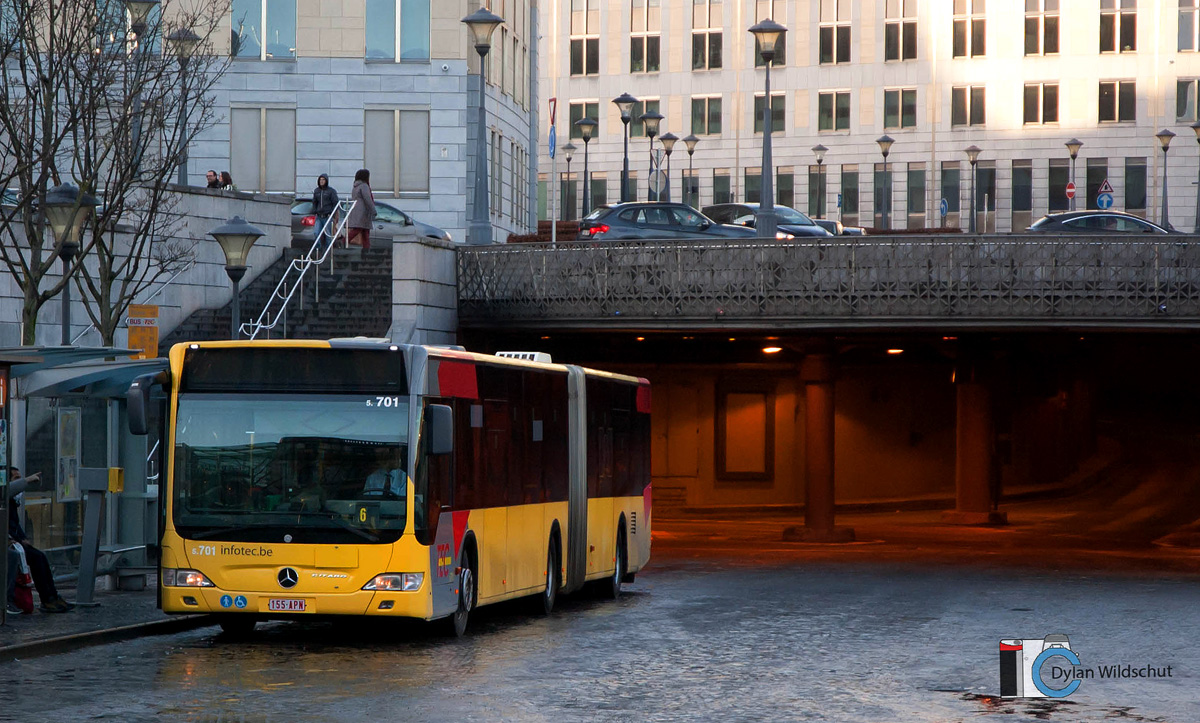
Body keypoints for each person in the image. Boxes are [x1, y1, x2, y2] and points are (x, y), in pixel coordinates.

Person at [7, 468, 73, 613]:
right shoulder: (5, 500)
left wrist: (23, 538)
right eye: (16, 478)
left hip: (15, 541)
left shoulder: (11, 502)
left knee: (40, 556)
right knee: (36, 558)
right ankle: (47, 598)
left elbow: (14, 524)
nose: (19, 481)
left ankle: (52, 596)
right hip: (10, 543)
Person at [347, 168, 376, 251]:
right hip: (363, 212)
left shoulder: (355, 186)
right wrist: (373, 210)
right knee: (360, 229)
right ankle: (344, 240)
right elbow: (368, 199)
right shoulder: (364, 186)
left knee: (364, 231)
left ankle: (366, 248)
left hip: (356, 210)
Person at [311, 174, 339, 252]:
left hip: (328, 216)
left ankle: (328, 250)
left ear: (326, 181)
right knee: (316, 233)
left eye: (323, 180)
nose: (321, 181)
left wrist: (332, 213)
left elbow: (335, 202)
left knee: (328, 235)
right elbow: (314, 202)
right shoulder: (316, 191)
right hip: (319, 216)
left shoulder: (331, 191)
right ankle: (318, 249)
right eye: (320, 180)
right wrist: (314, 210)